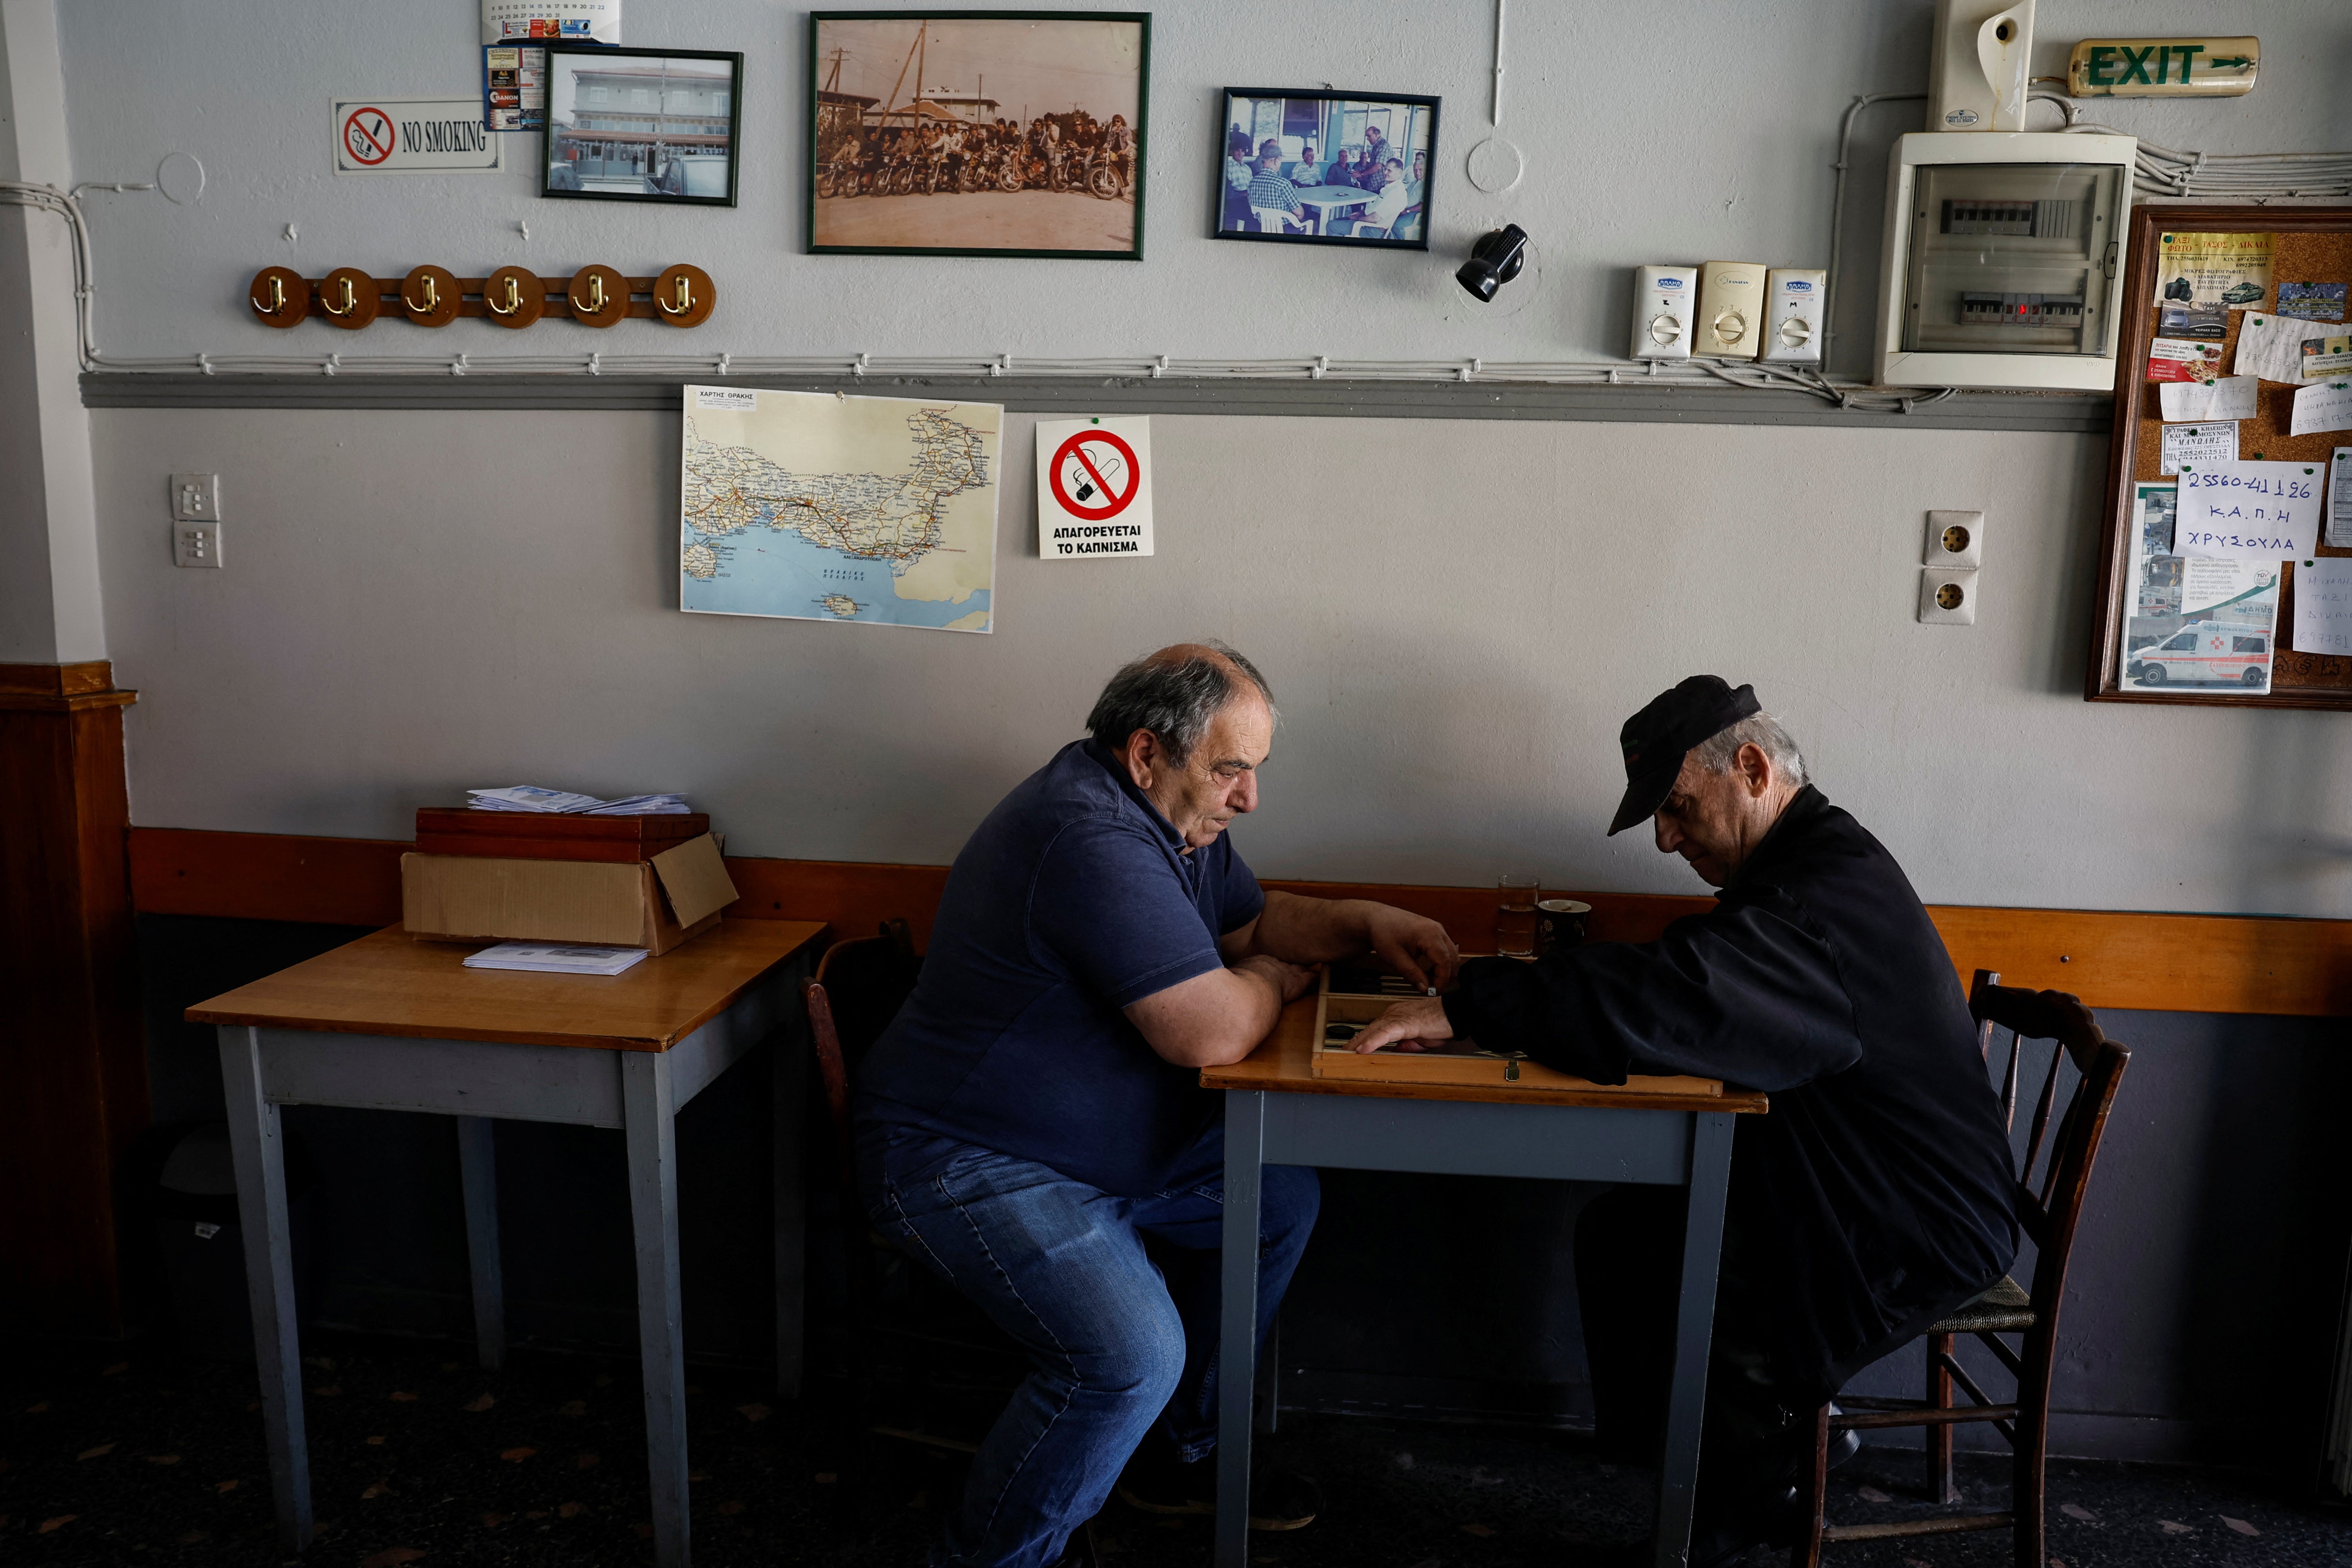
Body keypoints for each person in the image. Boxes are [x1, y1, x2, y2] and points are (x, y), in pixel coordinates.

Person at [1348, 676, 2019, 1568]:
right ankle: (1693, 1464)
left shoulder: (1815, 896)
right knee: (1625, 1232)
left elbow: (1684, 991)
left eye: (1676, 807)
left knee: (1722, 1286)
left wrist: (1471, 1004)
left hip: (1905, 1223)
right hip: (1850, 1182)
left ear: (1749, 767)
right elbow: (1695, 985)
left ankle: (1730, 1514)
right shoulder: (1808, 862)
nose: (1665, 839)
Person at [858, 644, 1459, 1568]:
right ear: (1147, 755)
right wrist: (1266, 977)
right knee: (1127, 1359)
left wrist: (1367, 920)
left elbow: (1253, 922)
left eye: (1252, 771)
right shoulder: (1088, 832)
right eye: (1232, 771)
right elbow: (1208, 1033)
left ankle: (1178, 1458)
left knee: (1277, 1198)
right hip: (965, 1156)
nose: (1249, 797)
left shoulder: (1172, 821)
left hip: (1096, 1145)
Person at [1246, 146, 1304, 232]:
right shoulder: (1283, 184)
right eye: (1280, 160)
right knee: (1313, 226)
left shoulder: (1252, 183)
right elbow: (1300, 214)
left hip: (1263, 229)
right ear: (1276, 161)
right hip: (1285, 230)